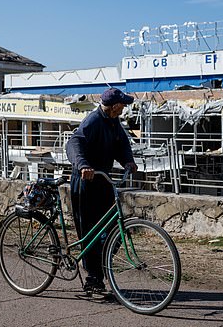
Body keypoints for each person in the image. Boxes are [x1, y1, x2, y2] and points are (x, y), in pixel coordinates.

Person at [65, 87, 138, 294]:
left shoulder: (113, 122)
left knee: (114, 229)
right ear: (114, 106)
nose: (124, 109)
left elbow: (121, 144)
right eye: (123, 105)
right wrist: (82, 165)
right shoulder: (93, 121)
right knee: (91, 231)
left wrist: (128, 161)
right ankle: (93, 277)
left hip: (103, 179)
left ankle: (98, 267)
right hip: (86, 180)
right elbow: (74, 142)